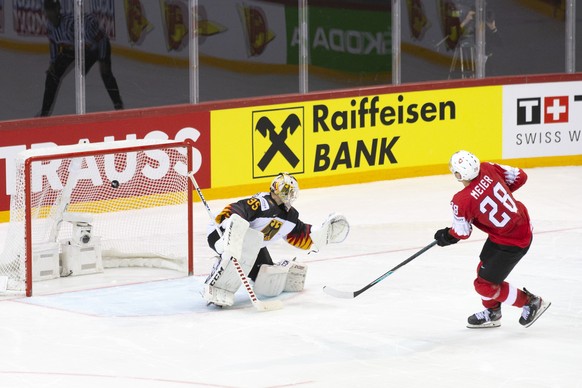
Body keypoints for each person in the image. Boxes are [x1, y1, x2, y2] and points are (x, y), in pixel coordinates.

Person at [433, 150, 550, 328]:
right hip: (517, 226)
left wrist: (446, 236)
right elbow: (521, 176)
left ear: (458, 174)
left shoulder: (462, 200)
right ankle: (493, 312)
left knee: (484, 286)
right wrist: (496, 195)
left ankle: (531, 302)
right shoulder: (488, 168)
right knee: (483, 271)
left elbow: (461, 232)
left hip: (511, 242)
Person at [203, 172, 349, 307]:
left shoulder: (290, 216)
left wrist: (320, 235)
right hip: (221, 233)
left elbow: (300, 233)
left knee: (265, 276)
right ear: (275, 188)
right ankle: (217, 284)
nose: (290, 194)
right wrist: (230, 224)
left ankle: (283, 271)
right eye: (287, 189)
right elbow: (237, 209)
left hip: (252, 245)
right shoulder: (261, 203)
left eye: (292, 191)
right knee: (241, 253)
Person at [40, 0, 124, 117]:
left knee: (105, 72)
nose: (50, 14)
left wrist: (101, 57)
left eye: (52, 10)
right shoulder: (50, 27)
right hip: (73, 49)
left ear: (58, 10)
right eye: (47, 11)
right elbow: (53, 43)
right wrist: (53, 62)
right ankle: (44, 114)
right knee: (52, 75)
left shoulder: (72, 25)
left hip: (95, 46)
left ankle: (118, 105)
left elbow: (100, 38)